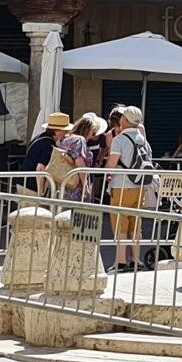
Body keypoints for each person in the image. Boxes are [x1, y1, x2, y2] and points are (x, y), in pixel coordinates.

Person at [106, 106, 150, 273]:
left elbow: (112, 163)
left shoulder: (119, 140)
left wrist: (107, 173)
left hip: (121, 186)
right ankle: (136, 260)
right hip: (140, 188)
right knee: (135, 226)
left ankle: (121, 262)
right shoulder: (144, 141)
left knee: (120, 225)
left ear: (124, 121)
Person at [21, 112, 72, 196]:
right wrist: (40, 193)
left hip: (24, 184)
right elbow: (40, 168)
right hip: (31, 189)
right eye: (64, 131)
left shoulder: (39, 137)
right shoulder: (49, 145)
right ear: (57, 131)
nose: (65, 134)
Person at [61, 113, 106, 202]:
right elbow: (80, 163)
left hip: (63, 183)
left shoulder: (66, 139)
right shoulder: (80, 140)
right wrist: (85, 186)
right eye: (92, 132)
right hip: (75, 187)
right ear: (87, 130)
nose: (93, 135)